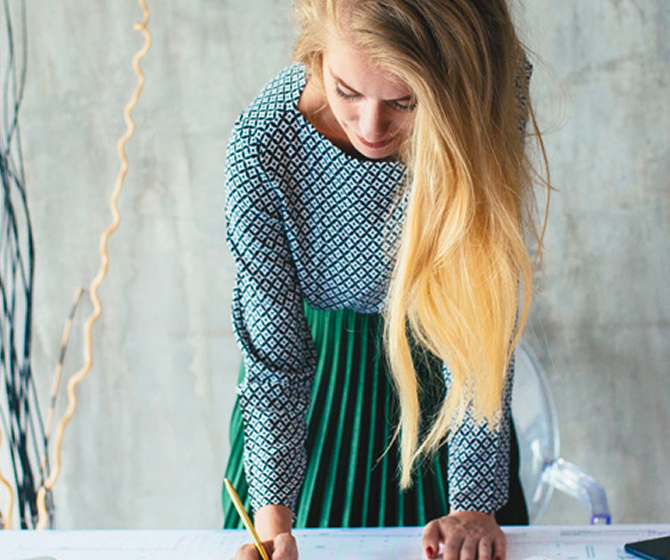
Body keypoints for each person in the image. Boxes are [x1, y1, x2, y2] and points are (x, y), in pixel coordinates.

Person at [221, 1, 547, 559]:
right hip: (313, 395)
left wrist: (472, 503)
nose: (372, 127)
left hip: (453, 388)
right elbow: (275, 359)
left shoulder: (487, 99)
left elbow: (478, 311)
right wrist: (273, 523)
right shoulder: (262, 148)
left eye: (405, 101)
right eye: (346, 91)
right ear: (316, 53)